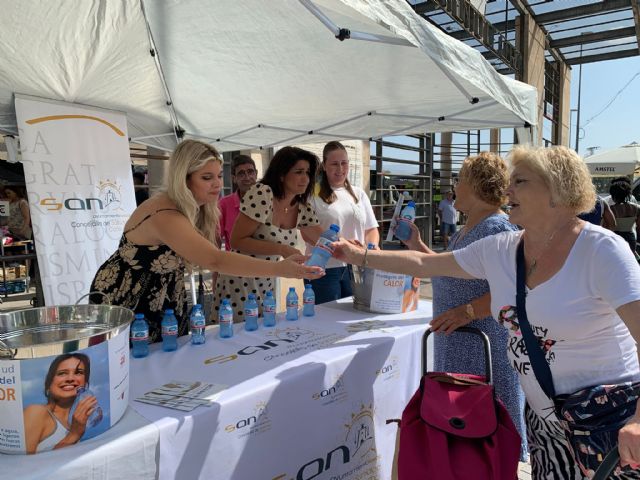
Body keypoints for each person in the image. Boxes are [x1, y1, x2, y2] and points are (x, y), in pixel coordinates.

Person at [332, 145, 640, 479]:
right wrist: (358, 255)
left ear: (557, 190)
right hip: (546, 424)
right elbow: (425, 263)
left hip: (611, 423)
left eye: (520, 181)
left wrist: (639, 421)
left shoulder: (601, 251)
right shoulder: (502, 249)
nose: (508, 190)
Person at [90, 140, 322, 342]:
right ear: (184, 179)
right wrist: (279, 268)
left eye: (219, 176)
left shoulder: (195, 209)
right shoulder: (164, 213)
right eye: (207, 177)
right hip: (128, 298)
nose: (217, 184)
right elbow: (215, 259)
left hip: (166, 296)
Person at [402, 152, 527, 459]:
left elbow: (514, 288)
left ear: (476, 185)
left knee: (490, 439)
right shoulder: (470, 228)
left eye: (460, 179)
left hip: (483, 353)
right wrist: (418, 247)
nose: (455, 186)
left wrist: (466, 312)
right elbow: (451, 269)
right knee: (465, 438)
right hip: (461, 349)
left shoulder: (496, 228)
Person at [214, 146, 324, 319]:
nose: (306, 178)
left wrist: (353, 248)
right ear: (281, 174)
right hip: (240, 280)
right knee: (238, 339)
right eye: (299, 172)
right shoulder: (262, 193)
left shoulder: (303, 207)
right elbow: (237, 240)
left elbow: (325, 239)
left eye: (308, 172)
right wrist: (281, 249)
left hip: (267, 281)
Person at [306, 141, 379, 304]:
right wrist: (343, 246)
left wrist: (370, 249)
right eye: (334, 164)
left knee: (355, 318)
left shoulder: (359, 194)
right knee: (327, 321)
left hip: (356, 266)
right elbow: (308, 233)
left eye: (344, 163)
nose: (340, 169)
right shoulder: (312, 195)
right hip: (324, 269)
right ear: (324, 166)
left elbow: (371, 229)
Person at [23, 353, 97, 454]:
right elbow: (24, 466)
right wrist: (73, 435)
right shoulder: (36, 412)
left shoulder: (74, 423)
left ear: (86, 383)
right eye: (62, 373)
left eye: (78, 372)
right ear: (49, 383)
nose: (70, 378)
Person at [218, 155, 258, 251]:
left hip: (267, 263)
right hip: (235, 263)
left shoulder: (271, 200)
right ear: (234, 178)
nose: (247, 177)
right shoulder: (224, 204)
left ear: (256, 173)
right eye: (241, 174)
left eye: (250, 172)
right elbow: (216, 239)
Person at [609, 178, 640, 254]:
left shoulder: (610, 209)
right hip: (630, 238)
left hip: (615, 238)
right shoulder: (637, 208)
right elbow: (639, 227)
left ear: (613, 194)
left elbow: (606, 226)